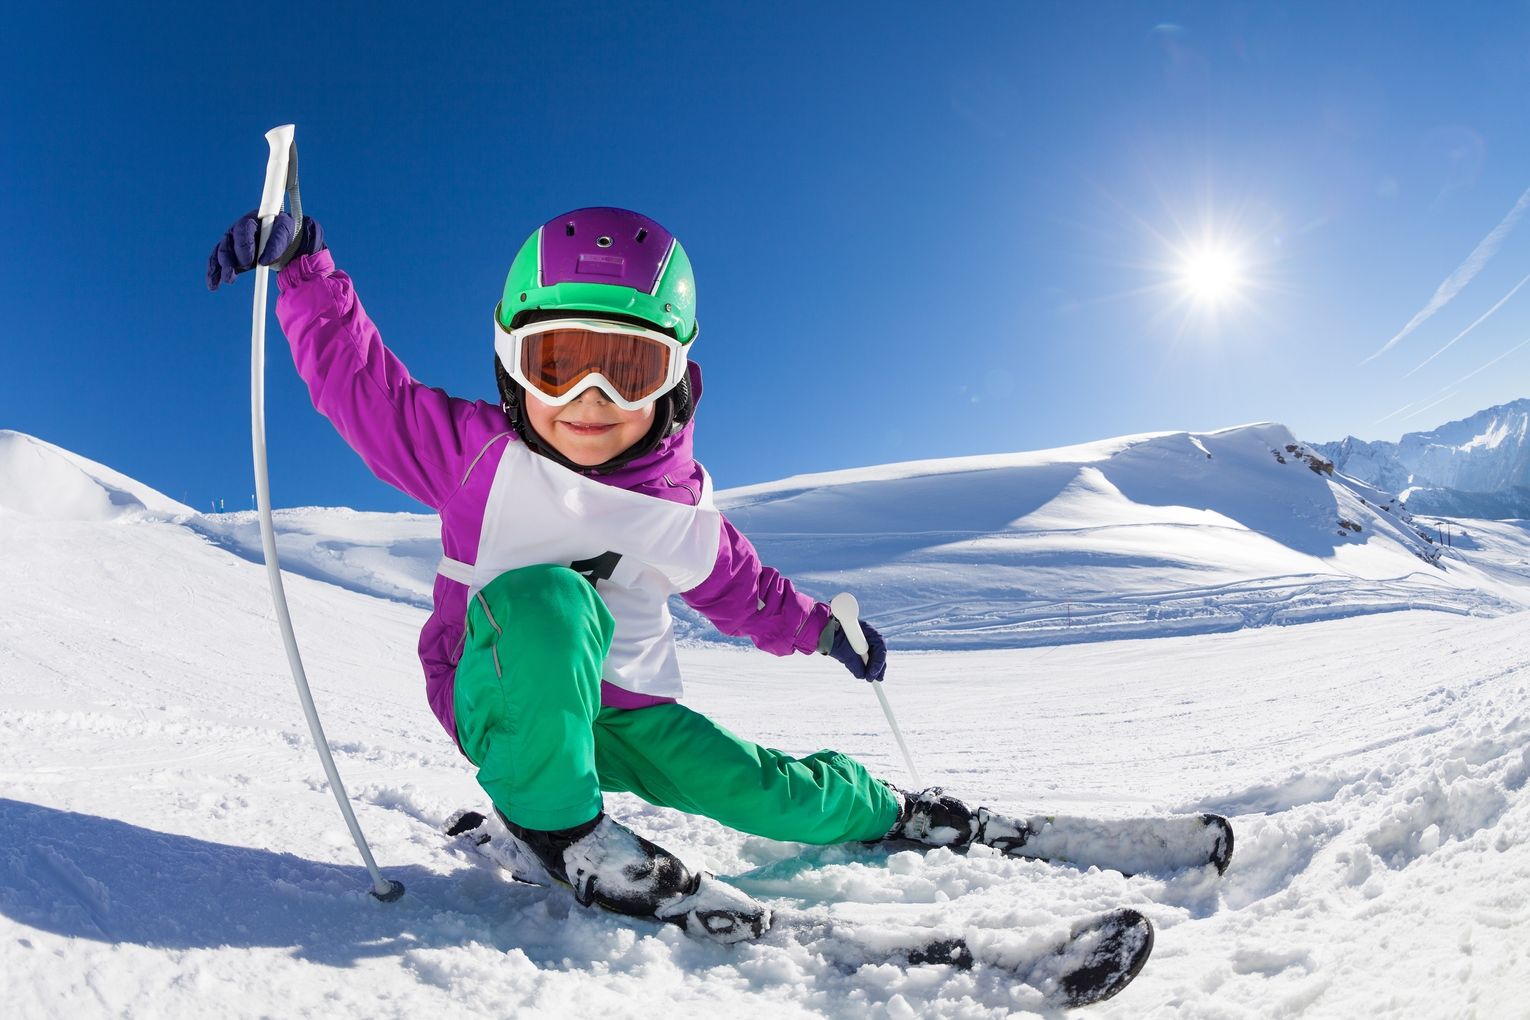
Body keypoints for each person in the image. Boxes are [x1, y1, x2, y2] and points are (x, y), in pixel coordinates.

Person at [208, 206, 986, 923]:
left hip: (630, 713)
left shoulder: (681, 507)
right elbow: (363, 390)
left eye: (629, 369)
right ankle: (557, 826)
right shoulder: (475, 457)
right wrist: (304, 270)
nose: (590, 398)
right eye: (557, 364)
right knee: (550, 597)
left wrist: (824, 632)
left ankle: (888, 808)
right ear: (513, 366)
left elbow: (749, 592)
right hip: (504, 696)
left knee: (759, 790)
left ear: (672, 380)